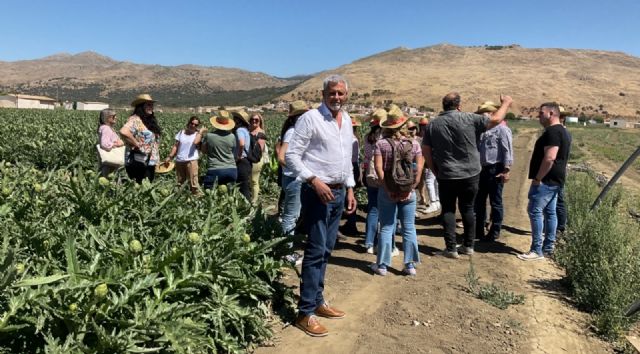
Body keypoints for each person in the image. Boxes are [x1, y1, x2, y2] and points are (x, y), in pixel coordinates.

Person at [286, 74, 357, 337]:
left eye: (340, 93)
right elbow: (291, 156)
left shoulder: (347, 119)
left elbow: (346, 159)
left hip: (338, 193)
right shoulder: (311, 119)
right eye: (332, 93)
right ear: (323, 94)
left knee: (327, 250)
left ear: (346, 94)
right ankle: (305, 313)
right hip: (317, 192)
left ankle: (318, 301)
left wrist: (350, 188)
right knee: (315, 251)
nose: (336, 97)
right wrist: (313, 180)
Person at [422, 92, 513, 258]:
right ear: (459, 106)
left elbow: (426, 151)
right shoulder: (469, 118)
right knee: (468, 208)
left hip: (446, 174)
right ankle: (468, 245)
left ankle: (450, 248)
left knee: (448, 210)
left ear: (443, 106)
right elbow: (496, 120)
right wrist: (506, 103)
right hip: (470, 174)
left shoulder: (433, 125)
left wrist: (435, 170)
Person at [370, 105, 423, 276]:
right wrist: (412, 186)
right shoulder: (414, 144)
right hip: (408, 191)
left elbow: (379, 169)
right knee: (409, 227)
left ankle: (383, 265)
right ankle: (410, 265)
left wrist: (386, 187)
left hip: (388, 190)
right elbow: (419, 168)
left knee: (386, 226)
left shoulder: (381, 144)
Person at [518, 102, 570, 261]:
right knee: (550, 213)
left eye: (541, 113)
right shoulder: (563, 131)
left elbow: (550, 158)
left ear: (551, 114)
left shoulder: (552, 132)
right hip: (556, 180)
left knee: (535, 211)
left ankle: (536, 250)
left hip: (546, 180)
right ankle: (548, 248)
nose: (538, 116)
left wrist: (538, 179)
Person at [474, 102, 514, 242]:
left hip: (495, 168)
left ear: (491, 113)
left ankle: (494, 231)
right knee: (479, 202)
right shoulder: (481, 130)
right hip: (481, 169)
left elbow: (507, 150)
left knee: (495, 202)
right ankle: (478, 230)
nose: (480, 116)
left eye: (483, 113)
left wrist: (506, 170)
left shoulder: (502, 129)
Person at [277, 100, 309, 264]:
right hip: (293, 179)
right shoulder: (292, 132)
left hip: (292, 178)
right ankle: (286, 252)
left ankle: (287, 248)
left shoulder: (296, 131)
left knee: (292, 215)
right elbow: (281, 157)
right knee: (290, 216)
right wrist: (298, 170)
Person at [120, 94, 163, 183]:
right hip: (138, 161)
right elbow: (124, 131)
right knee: (139, 188)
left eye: (151, 105)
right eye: (148, 104)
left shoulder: (149, 120)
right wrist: (137, 144)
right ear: (141, 106)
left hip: (150, 161)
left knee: (147, 187)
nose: (151, 107)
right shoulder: (135, 119)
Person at [362, 109, 385, 253]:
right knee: (384, 209)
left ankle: (368, 242)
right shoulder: (384, 138)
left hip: (370, 174)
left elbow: (366, 158)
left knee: (372, 208)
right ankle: (379, 243)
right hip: (381, 174)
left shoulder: (368, 137)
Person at [164, 116, 205, 194]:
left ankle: (197, 199)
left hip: (191, 161)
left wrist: (200, 132)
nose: (193, 126)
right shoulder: (181, 132)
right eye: (192, 123)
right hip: (179, 160)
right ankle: (180, 199)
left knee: (194, 183)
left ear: (197, 126)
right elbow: (176, 146)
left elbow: (196, 142)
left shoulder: (197, 134)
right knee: (180, 182)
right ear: (188, 123)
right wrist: (170, 156)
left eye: (196, 125)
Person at [200, 110, 237, 188]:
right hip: (232, 169)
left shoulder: (209, 136)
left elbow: (203, 151)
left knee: (209, 193)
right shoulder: (232, 136)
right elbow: (233, 152)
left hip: (215, 169)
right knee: (230, 194)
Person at [341, 117, 362, 235]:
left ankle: (350, 223)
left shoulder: (349, 139)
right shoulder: (355, 139)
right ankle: (351, 222)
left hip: (349, 167)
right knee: (351, 195)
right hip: (354, 166)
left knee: (348, 196)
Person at [417, 117, 440, 214]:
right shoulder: (432, 134)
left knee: (430, 181)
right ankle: (436, 201)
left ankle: (434, 203)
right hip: (433, 160)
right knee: (434, 181)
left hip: (429, 161)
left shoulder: (427, 135)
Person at [555, 106, 572, 236]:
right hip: (560, 169)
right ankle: (559, 226)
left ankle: (560, 227)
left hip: (557, 170)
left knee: (559, 199)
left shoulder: (562, 133)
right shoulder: (565, 132)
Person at [232, 110, 253, 201]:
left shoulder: (239, 130)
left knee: (243, 187)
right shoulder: (245, 130)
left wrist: (239, 156)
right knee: (244, 185)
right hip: (247, 161)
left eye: (234, 119)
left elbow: (241, 144)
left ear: (238, 120)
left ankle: (247, 209)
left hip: (242, 161)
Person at [97, 108, 124, 177]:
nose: (116, 117)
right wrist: (118, 144)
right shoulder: (106, 128)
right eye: (114, 116)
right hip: (110, 164)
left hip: (110, 164)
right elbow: (104, 144)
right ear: (107, 118)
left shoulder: (105, 128)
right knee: (111, 181)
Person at [249, 112, 268, 203]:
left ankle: (254, 200)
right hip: (249, 159)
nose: (254, 121)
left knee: (254, 180)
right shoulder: (249, 130)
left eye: (256, 120)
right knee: (250, 180)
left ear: (260, 121)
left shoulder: (261, 133)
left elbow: (259, 149)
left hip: (256, 159)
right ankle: (252, 197)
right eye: (252, 119)